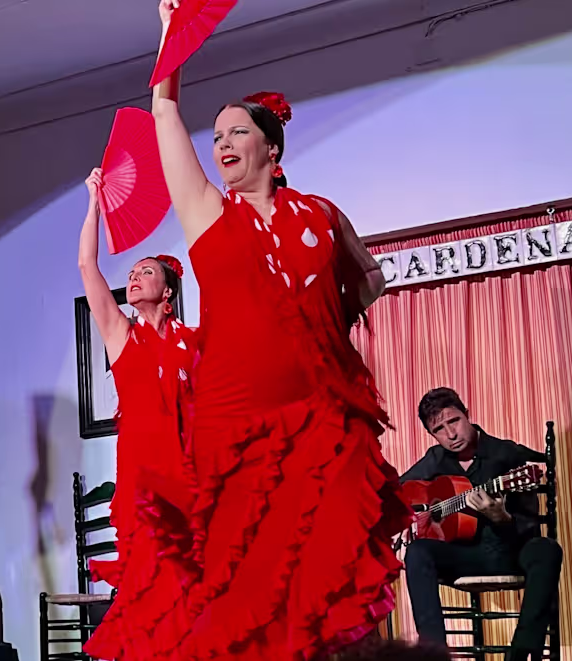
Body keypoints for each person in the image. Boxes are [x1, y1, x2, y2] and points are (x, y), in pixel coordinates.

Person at [147, 1, 411, 658]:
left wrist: (320, 332)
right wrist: (168, 41)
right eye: (217, 138)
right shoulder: (207, 213)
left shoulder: (319, 215)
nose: (223, 145)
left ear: (271, 144)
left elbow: (368, 278)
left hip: (320, 422)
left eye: (237, 132)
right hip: (239, 432)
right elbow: (164, 115)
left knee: (322, 594)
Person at [77, 168, 200, 660]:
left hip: (193, 479)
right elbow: (88, 266)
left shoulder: (193, 344)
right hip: (144, 485)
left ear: (168, 291)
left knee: (195, 594)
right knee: (151, 593)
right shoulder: (122, 337)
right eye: (131, 273)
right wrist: (93, 201)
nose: (133, 277)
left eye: (145, 272)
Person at [400, 388, 562, 661]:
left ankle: (521, 653)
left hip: (509, 551)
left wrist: (502, 518)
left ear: (467, 415)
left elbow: (529, 526)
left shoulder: (506, 454)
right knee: (417, 553)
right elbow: (400, 491)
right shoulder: (435, 459)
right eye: (439, 429)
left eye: (454, 421)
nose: (450, 435)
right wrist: (409, 517)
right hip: (463, 555)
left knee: (547, 549)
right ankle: (434, 655)